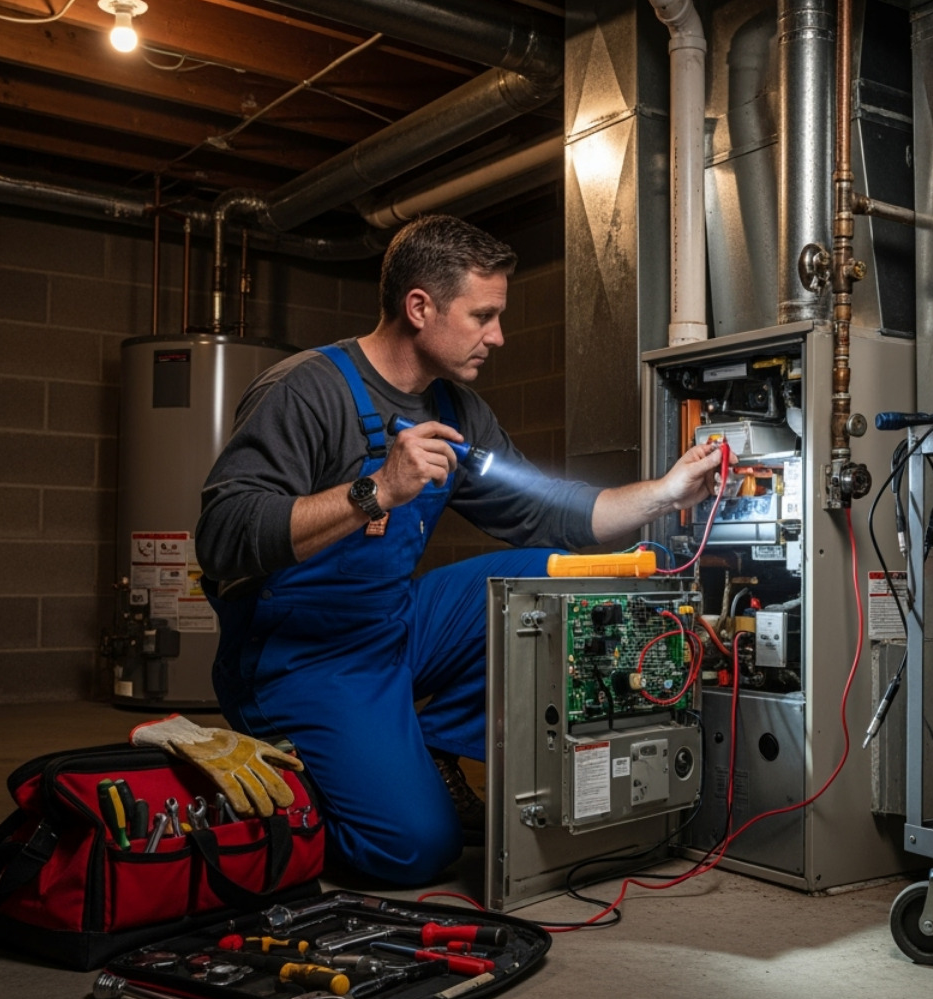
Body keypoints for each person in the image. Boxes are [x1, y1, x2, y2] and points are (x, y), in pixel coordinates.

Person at [196, 214, 723, 886]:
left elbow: (547, 513)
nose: (497, 337)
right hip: (300, 653)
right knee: (415, 847)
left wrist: (666, 491)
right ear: (420, 307)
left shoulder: (457, 412)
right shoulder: (305, 391)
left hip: (391, 625)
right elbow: (222, 537)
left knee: (547, 574)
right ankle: (298, 780)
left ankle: (430, 750)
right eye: (483, 316)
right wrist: (376, 491)